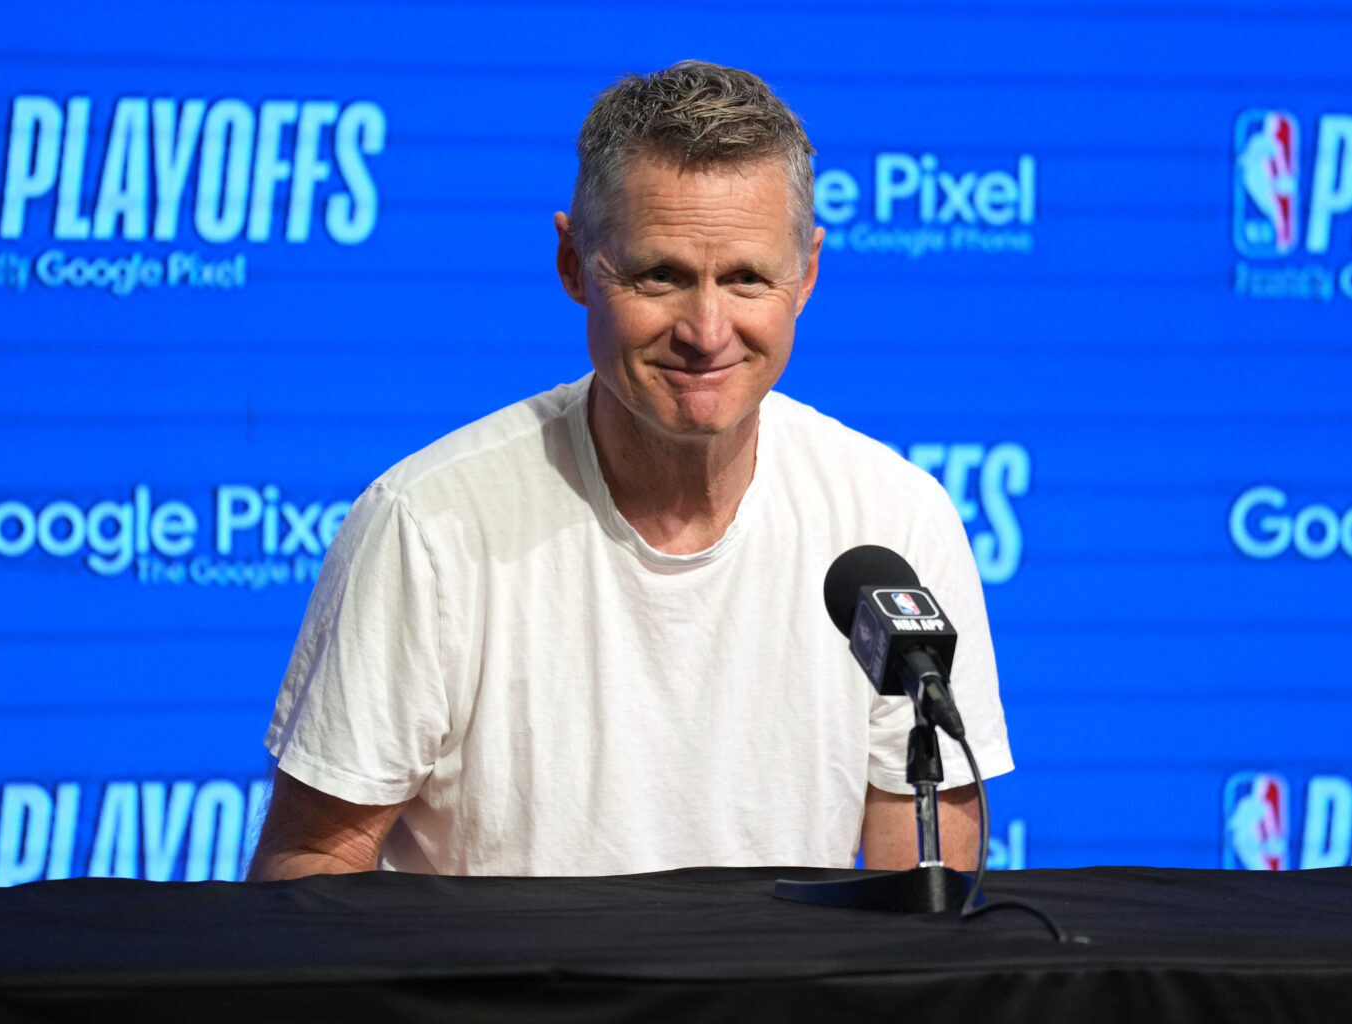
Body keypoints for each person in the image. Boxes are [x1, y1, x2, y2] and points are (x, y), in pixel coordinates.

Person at [249, 61, 1012, 881]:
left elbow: (923, 884)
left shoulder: (896, 518)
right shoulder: (427, 526)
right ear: (574, 264)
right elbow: (313, 866)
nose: (706, 330)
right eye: (661, 276)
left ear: (807, 276)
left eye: (746, 278)